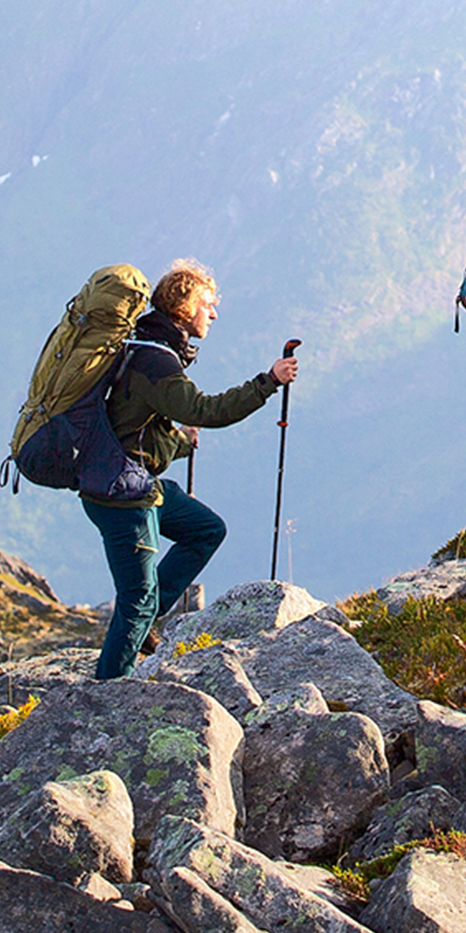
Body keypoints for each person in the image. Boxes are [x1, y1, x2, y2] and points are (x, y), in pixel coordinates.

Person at [85, 259, 298, 679]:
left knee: (205, 530)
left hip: (131, 482)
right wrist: (268, 381)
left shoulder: (146, 348)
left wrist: (180, 441)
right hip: (121, 497)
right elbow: (207, 409)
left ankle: (144, 624)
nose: (214, 313)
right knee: (136, 600)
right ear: (184, 307)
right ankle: (106, 694)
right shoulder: (156, 362)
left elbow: (132, 426)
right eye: (208, 303)